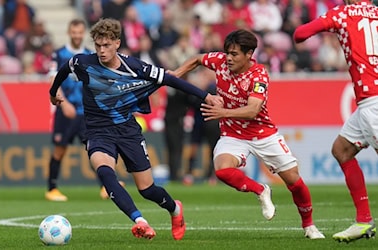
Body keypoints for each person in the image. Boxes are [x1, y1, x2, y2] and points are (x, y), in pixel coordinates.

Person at [49, 18, 223, 240]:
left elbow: (171, 80)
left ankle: (175, 209)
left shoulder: (135, 68)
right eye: (98, 45)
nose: (102, 51)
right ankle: (140, 221)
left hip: (127, 130)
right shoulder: (83, 62)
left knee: (147, 189)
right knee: (104, 172)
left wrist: (207, 96)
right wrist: (53, 92)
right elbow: (64, 69)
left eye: (107, 45)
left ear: (117, 43)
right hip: (97, 130)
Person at [168, 29, 325, 239]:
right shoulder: (220, 62)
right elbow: (197, 59)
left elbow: (253, 110)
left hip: (263, 134)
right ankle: (261, 190)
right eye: (227, 53)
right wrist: (177, 74)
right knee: (222, 170)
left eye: (234, 54)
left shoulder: (259, 75)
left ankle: (309, 226)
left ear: (249, 54)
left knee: (294, 181)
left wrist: (222, 112)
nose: (229, 58)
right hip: (233, 135)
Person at [293, 0, 378, 242]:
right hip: (367, 103)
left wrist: (330, 26)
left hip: (373, 101)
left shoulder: (343, 13)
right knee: (341, 150)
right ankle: (364, 221)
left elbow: (300, 34)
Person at [45, 19, 94, 202]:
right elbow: (52, 80)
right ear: (69, 32)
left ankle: (106, 187)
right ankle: (52, 188)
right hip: (65, 109)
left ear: (84, 33)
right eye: (74, 32)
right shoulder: (59, 54)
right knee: (60, 149)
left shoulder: (90, 55)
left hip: (86, 112)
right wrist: (64, 104)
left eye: (80, 32)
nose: (77, 35)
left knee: (94, 148)